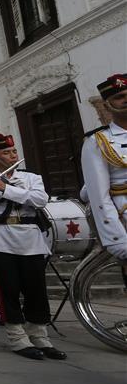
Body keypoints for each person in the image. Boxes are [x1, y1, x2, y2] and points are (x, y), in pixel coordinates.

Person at [0, 134, 65, 360]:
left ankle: (40, 336)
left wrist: (6, 188)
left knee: (36, 290)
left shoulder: (32, 178)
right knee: (8, 289)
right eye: (6, 153)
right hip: (1, 239)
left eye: (13, 152)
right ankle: (17, 338)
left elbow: (40, 200)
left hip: (30, 238)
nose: (12, 156)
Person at [81, 74, 127, 267]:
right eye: (119, 96)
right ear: (106, 105)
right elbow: (99, 197)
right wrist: (119, 243)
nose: (126, 99)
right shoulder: (98, 142)